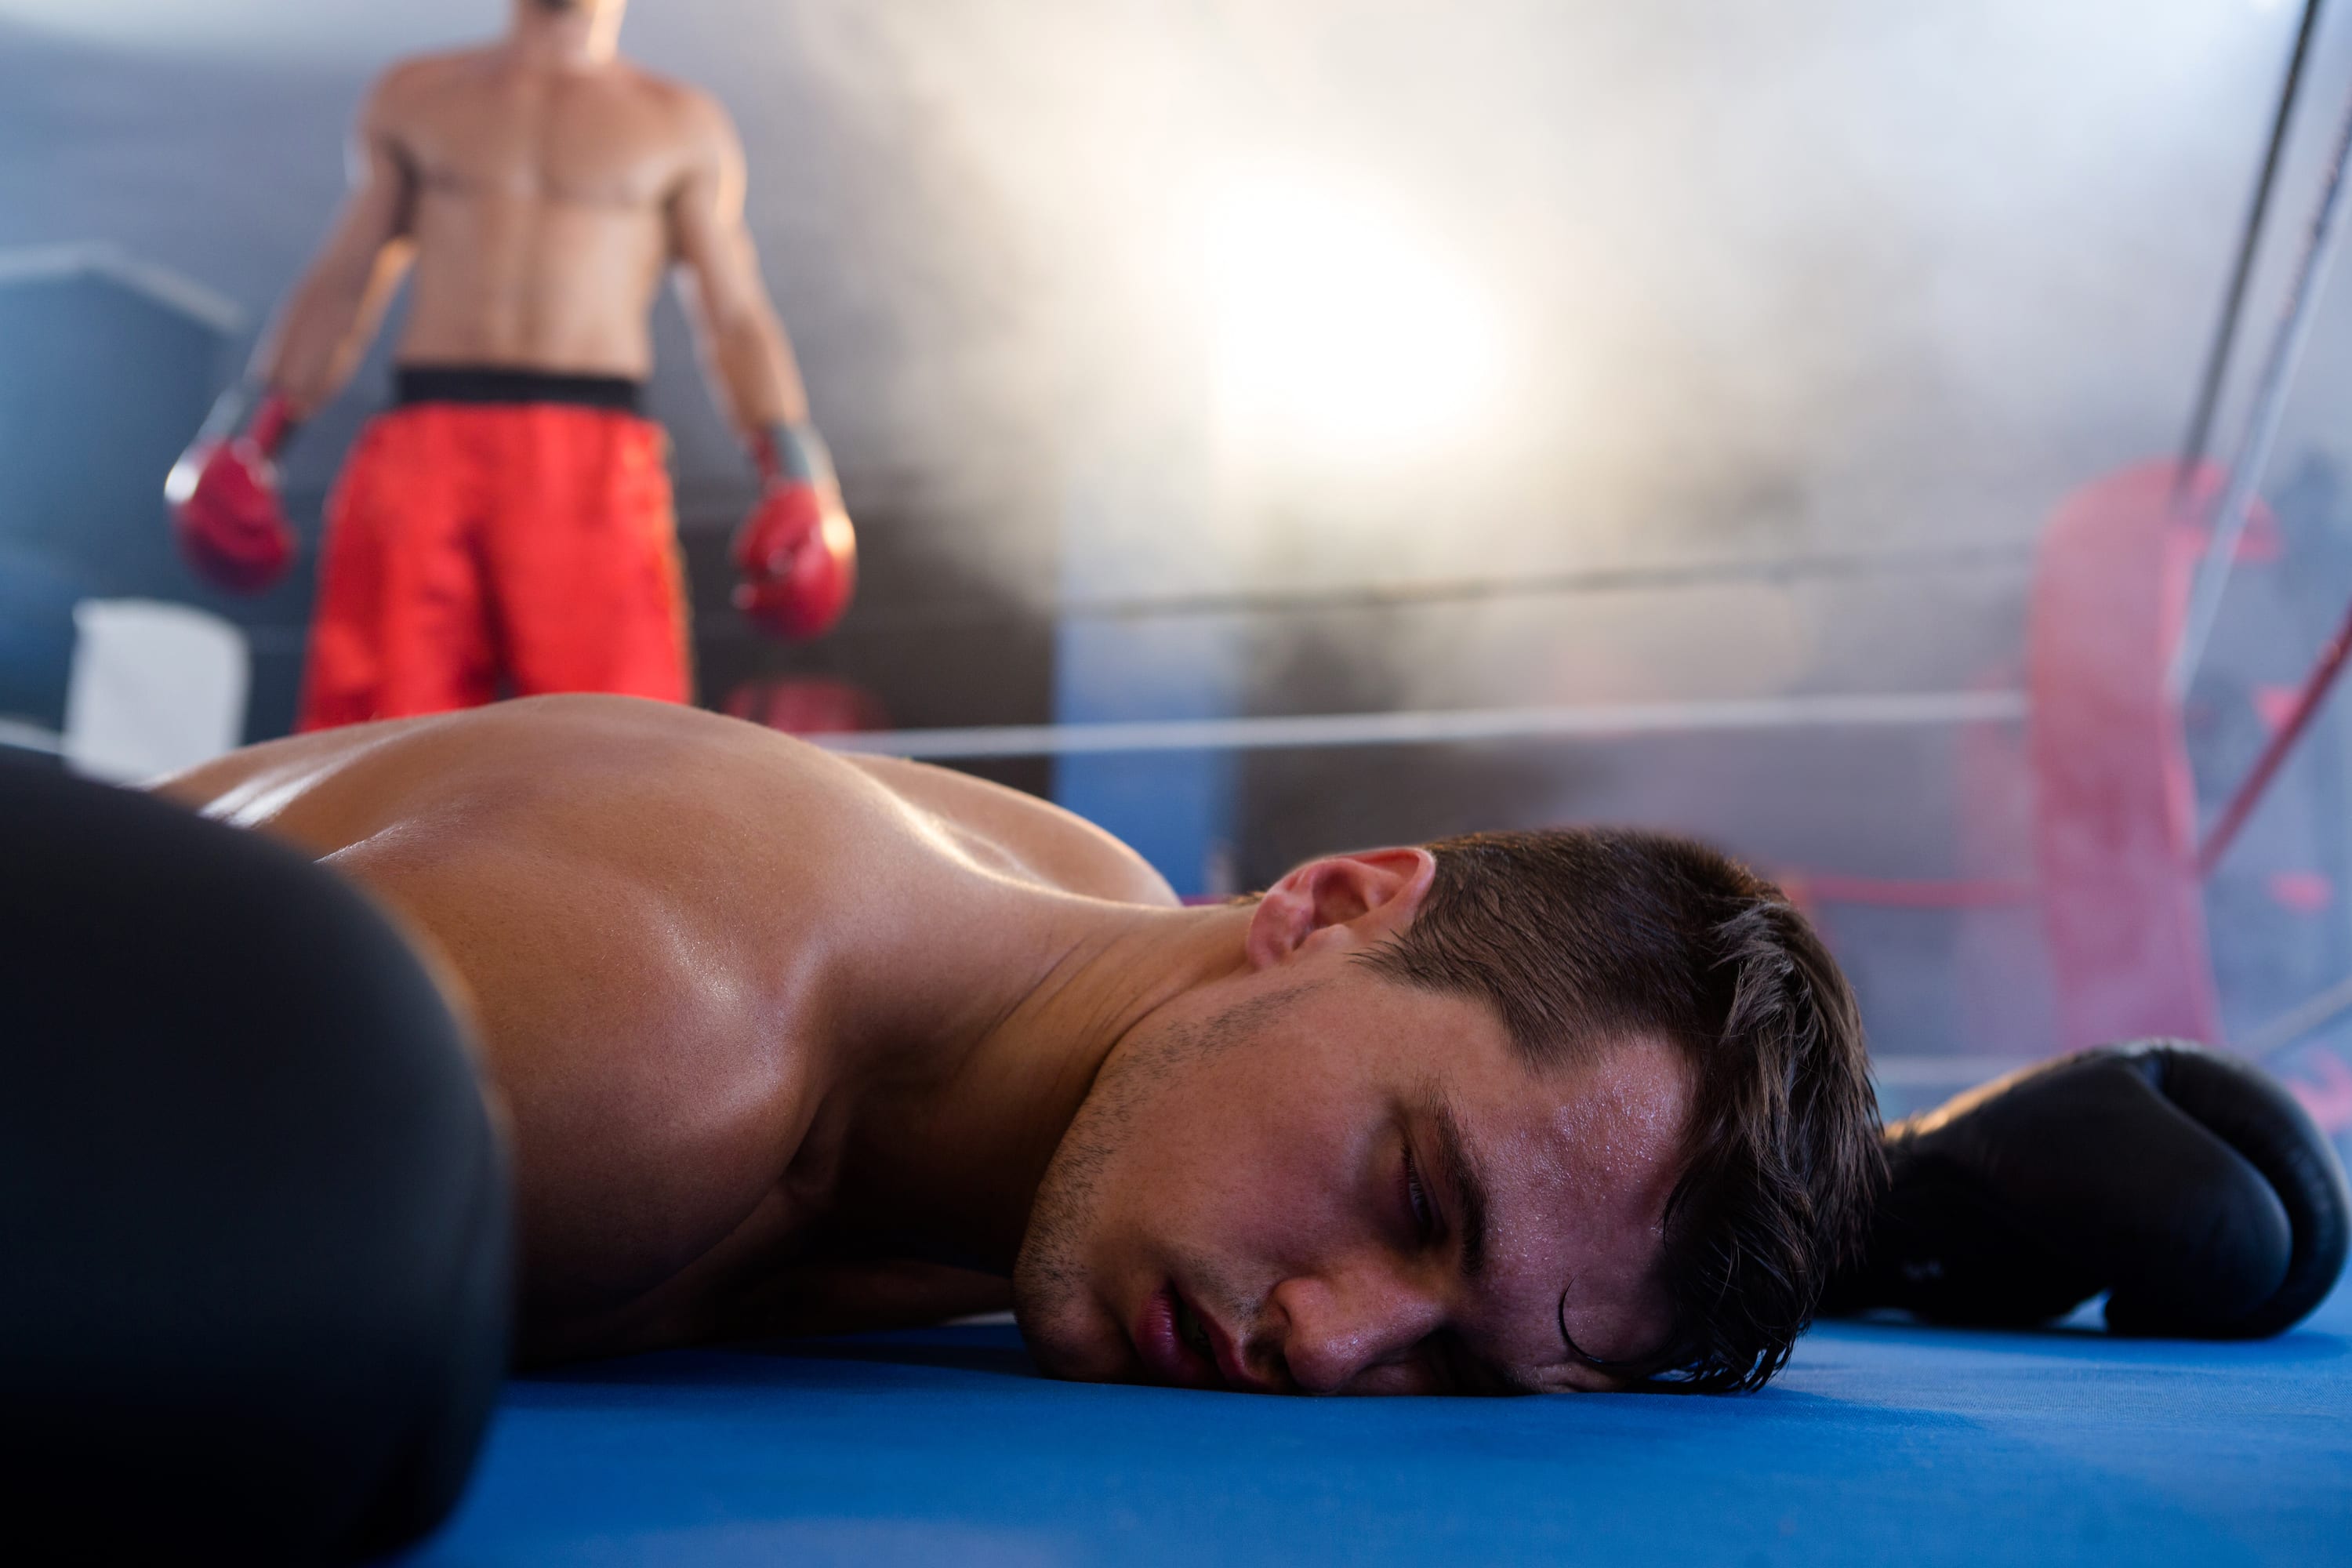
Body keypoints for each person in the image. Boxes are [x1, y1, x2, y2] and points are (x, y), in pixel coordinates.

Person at [154, 693, 1884, 1396]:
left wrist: (1902, 1206)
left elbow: (1553, 1180)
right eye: (1418, 1196)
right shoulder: (651, 1045)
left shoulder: (1102, 934)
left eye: (1452, 1361)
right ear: (1334, 901)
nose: (1337, 1343)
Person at [162, 0, 854, 731]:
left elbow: (735, 315)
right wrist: (245, 433)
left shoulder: (679, 122)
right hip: (425, 450)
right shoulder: (418, 96)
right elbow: (342, 281)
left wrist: (802, 475)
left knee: (613, 756)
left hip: (590, 464)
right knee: (378, 753)